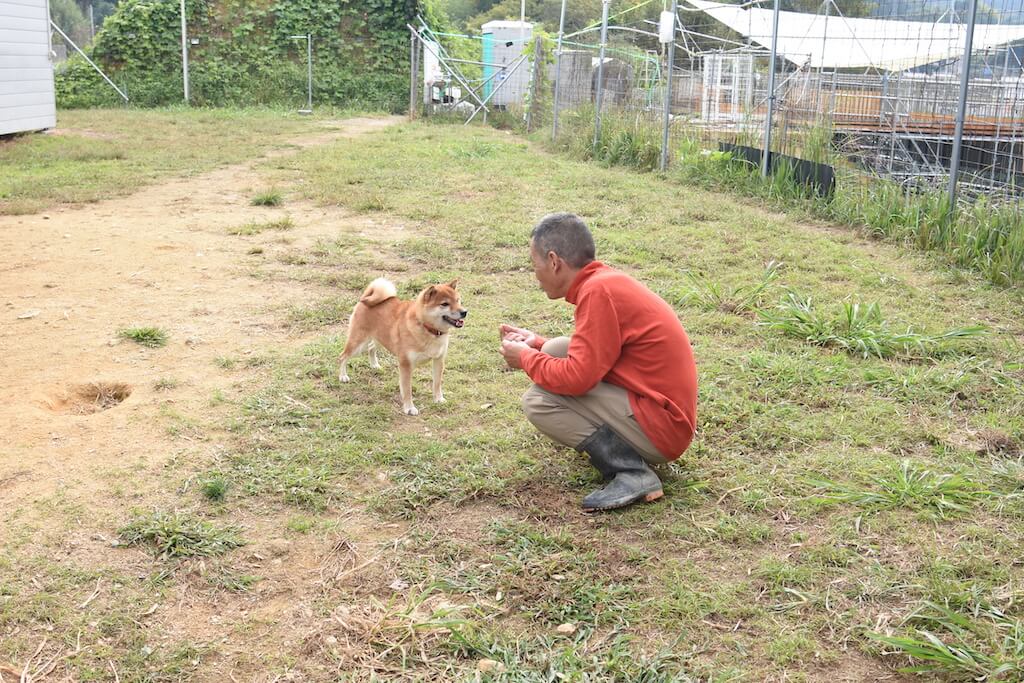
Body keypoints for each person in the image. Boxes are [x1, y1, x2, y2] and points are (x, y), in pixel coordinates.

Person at [498, 213, 698, 512]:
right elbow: (596, 355)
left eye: (534, 263)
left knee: (538, 401)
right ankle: (628, 458)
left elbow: (579, 378)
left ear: (554, 261)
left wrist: (526, 358)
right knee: (554, 347)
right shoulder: (605, 283)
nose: (534, 273)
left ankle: (631, 471)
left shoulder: (598, 293)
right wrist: (537, 345)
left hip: (662, 428)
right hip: (665, 413)